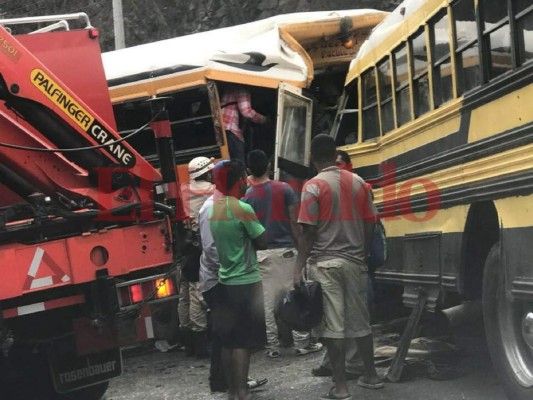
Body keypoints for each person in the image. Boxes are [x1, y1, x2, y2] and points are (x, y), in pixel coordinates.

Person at [293, 134, 383, 399]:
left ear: (312, 158)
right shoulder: (359, 183)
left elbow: (307, 232)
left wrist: (298, 268)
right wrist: (363, 251)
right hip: (355, 262)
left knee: (334, 326)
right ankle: (372, 375)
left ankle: (341, 386)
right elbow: (371, 222)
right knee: (361, 322)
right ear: (335, 155)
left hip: (325, 264)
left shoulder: (312, 186)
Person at [243, 150, 323, 358]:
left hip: (263, 255)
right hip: (287, 252)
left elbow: (250, 231)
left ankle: (272, 347)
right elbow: (294, 223)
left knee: (268, 303)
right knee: (296, 295)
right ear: (269, 165)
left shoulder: (247, 197)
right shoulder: (285, 189)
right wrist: (302, 251)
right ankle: (302, 342)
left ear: (249, 170)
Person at [198, 161, 268, 393]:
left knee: (228, 341)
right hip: (244, 281)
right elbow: (262, 241)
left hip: (225, 281)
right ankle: (241, 393)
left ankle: (232, 391)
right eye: (244, 177)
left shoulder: (216, 210)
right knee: (242, 342)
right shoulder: (241, 208)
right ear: (238, 181)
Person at [312, 149, 371, 379]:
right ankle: (339, 365)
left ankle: (347, 369)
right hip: (349, 259)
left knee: (342, 319)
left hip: (341, 260)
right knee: (344, 317)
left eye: (339, 164)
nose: (335, 168)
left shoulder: (355, 185)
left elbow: (307, 228)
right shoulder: (355, 184)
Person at [177, 156, 215, 358]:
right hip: (199, 244)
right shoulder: (210, 191)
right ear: (207, 173)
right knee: (197, 294)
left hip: (184, 246)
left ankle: (187, 340)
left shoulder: (183, 189)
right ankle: (200, 343)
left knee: (185, 292)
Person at [221, 86, 267, 164]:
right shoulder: (241, 89)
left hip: (225, 130)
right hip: (232, 130)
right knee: (239, 164)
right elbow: (246, 112)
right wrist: (263, 119)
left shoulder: (229, 89)